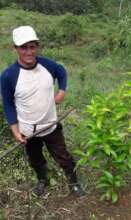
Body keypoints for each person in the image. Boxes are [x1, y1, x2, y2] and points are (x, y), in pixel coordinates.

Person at [0, 26, 84, 197]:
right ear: (15, 48)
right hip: (28, 131)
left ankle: (74, 183)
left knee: (64, 157)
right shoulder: (8, 76)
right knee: (35, 159)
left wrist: (62, 91)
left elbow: (62, 72)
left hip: (50, 125)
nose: (29, 52)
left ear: (36, 46)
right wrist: (15, 131)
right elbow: (8, 104)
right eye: (24, 47)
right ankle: (42, 180)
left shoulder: (48, 65)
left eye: (32, 46)